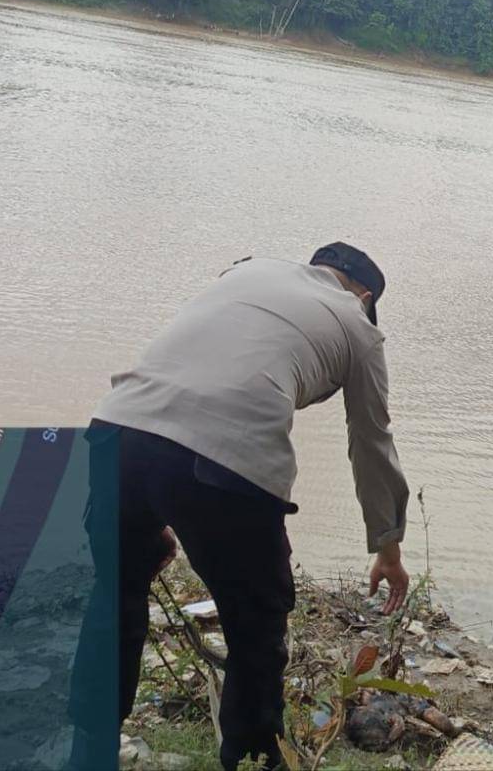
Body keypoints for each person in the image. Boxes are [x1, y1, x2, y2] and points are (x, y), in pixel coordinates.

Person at [67, 242, 411, 771]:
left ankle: (86, 757)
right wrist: (388, 548)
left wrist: (150, 521)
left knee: (114, 599)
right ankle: (251, 760)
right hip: (227, 462)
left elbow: (200, 373)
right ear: (364, 296)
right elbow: (371, 442)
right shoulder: (358, 327)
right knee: (256, 627)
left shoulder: (247, 272)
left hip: (117, 430)